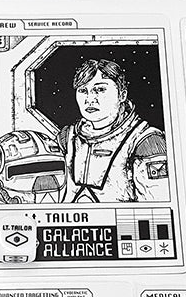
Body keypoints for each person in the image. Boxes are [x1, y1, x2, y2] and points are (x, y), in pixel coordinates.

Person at [57, 58, 169, 203]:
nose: (90, 99)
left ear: (122, 95)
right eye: (83, 91)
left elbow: (157, 203)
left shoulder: (146, 141)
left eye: (100, 90)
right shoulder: (67, 138)